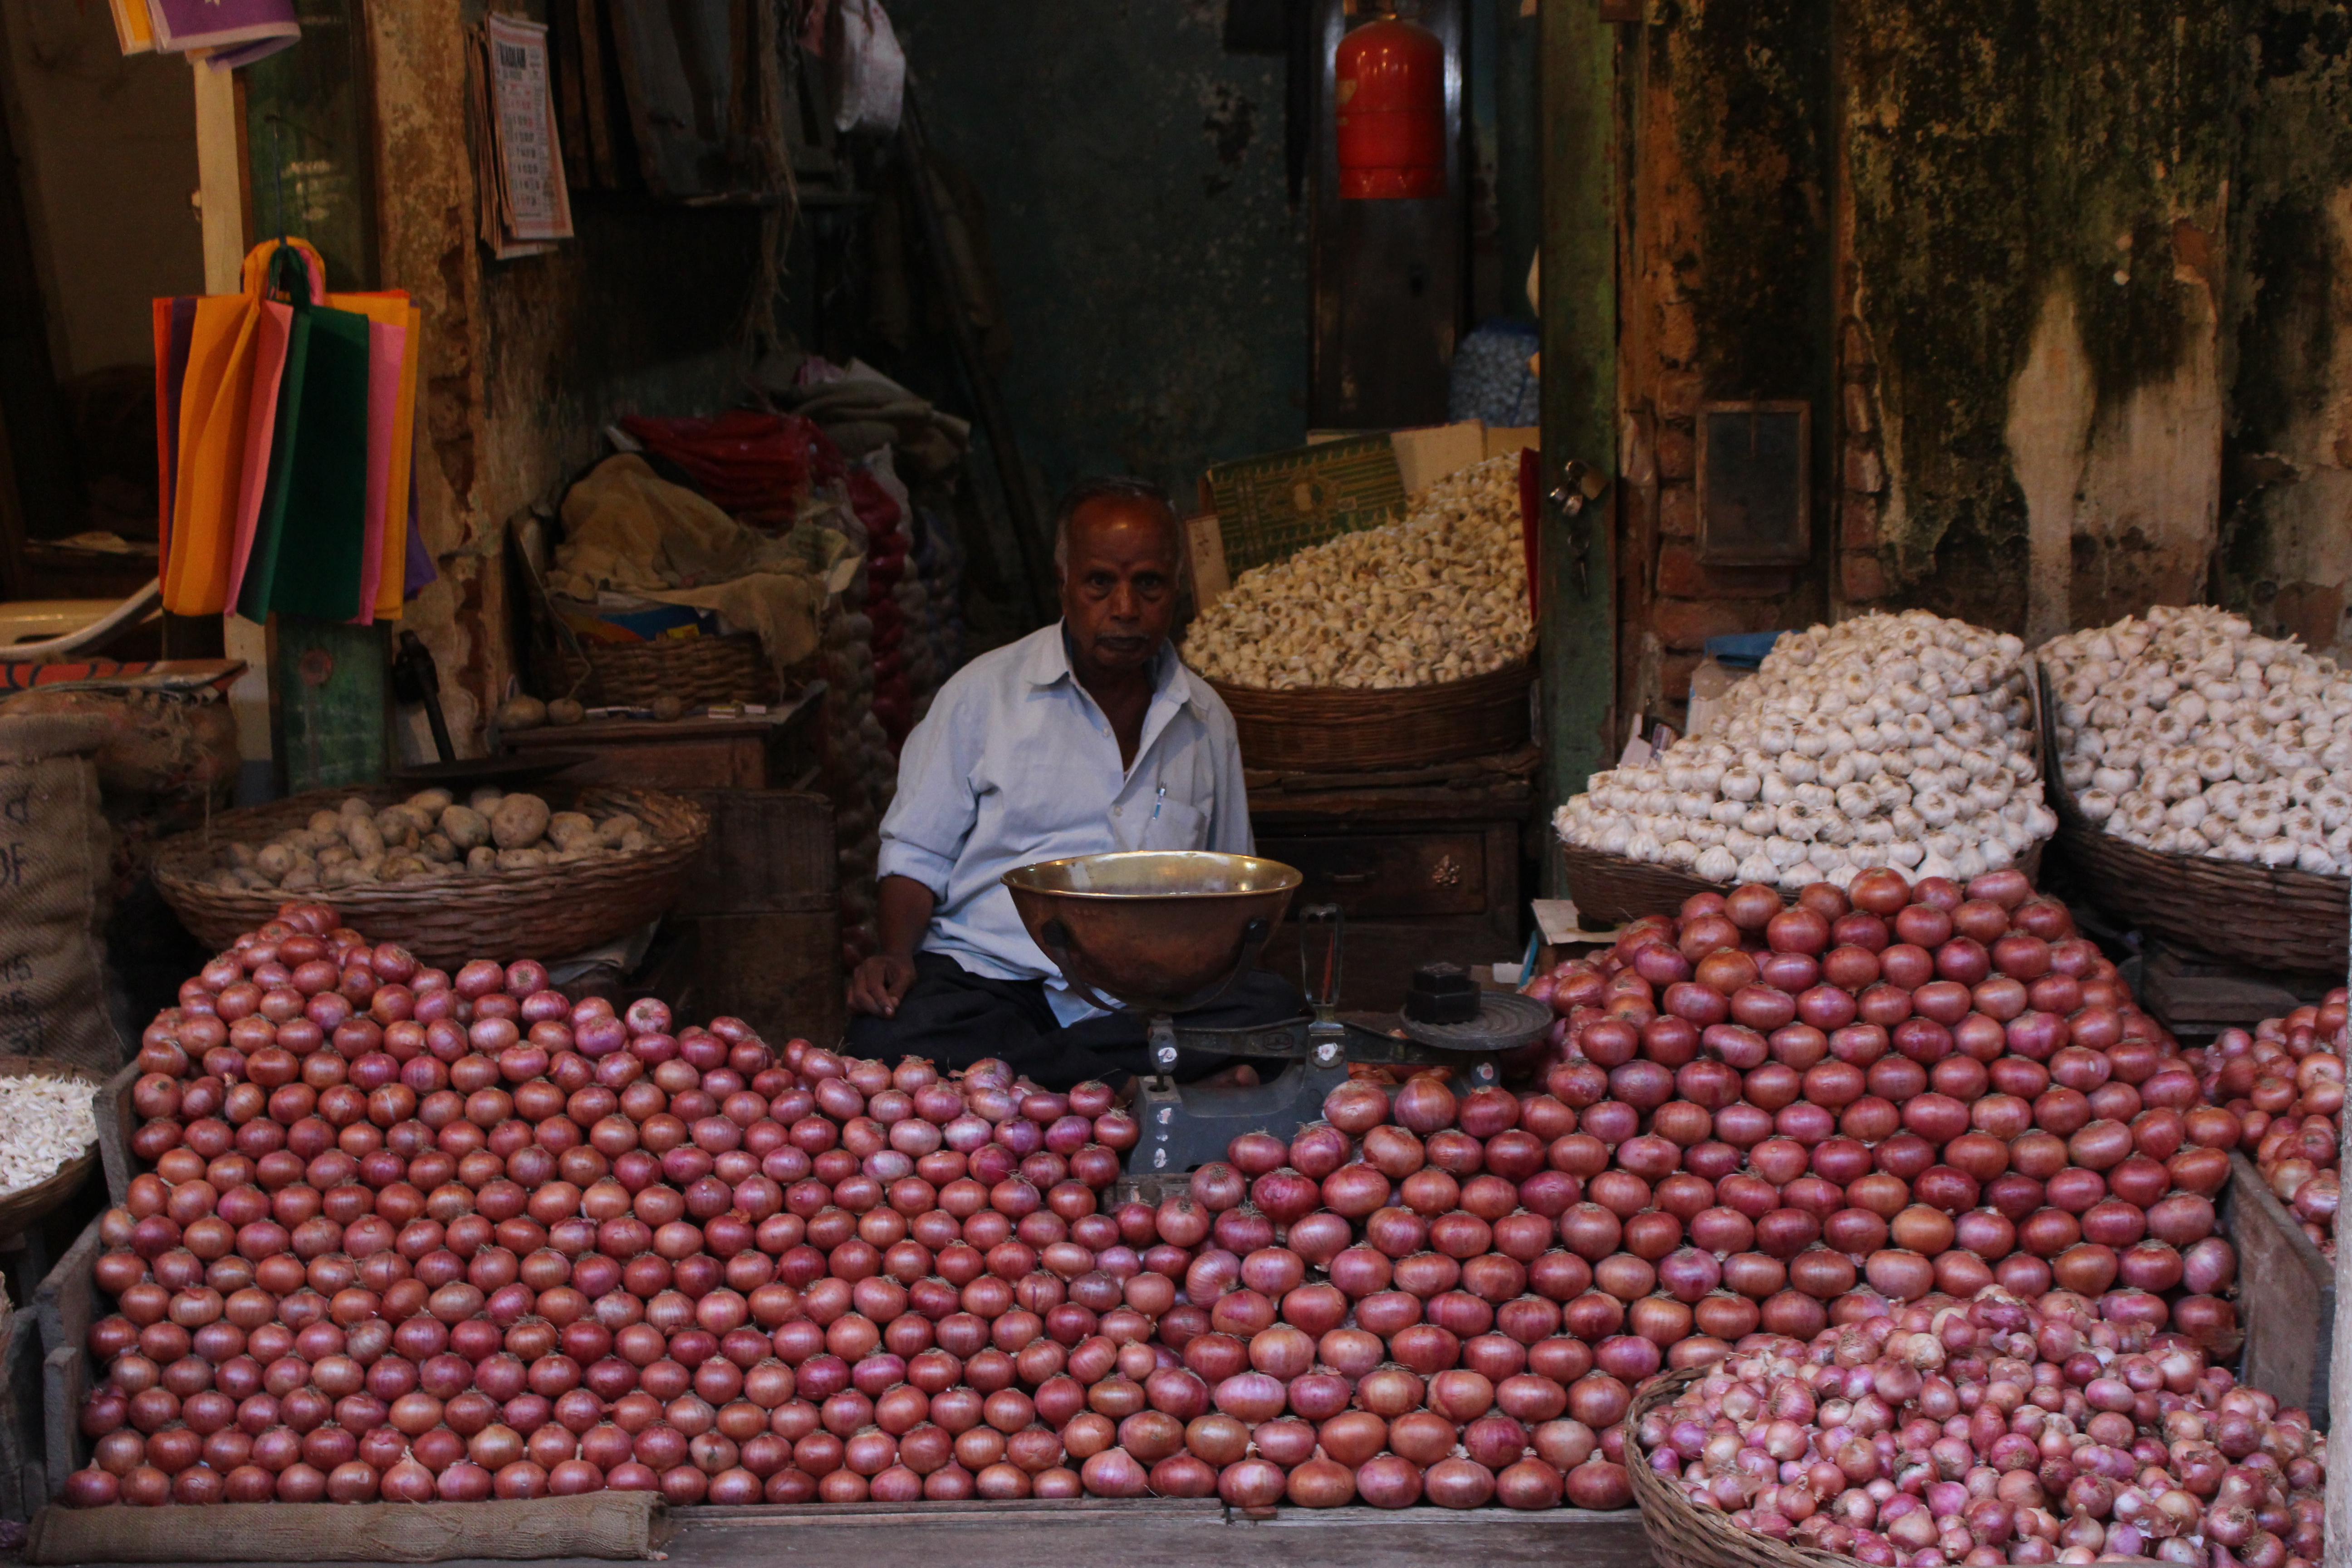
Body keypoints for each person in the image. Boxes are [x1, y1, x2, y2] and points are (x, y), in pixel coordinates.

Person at [843, 475, 1303, 1088]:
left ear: (1178, 588)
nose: (1125, 608)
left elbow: (1232, 887)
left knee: (1277, 1012)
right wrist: (896, 955)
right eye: (1100, 583)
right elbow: (915, 854)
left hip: (1147, 998)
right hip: (993, 978)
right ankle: (1131, 1084)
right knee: (889, 1036)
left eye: (1149, 584)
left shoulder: (1205, 720)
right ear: (1063, 583)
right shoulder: (982, 694)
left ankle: (1040, 1085)